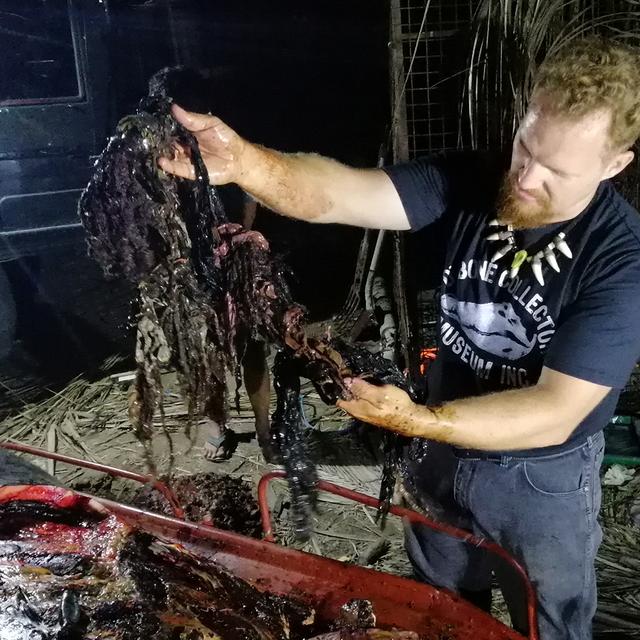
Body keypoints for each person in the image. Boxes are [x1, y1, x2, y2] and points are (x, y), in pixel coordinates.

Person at [158, 37, 640, 639]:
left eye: (557, 171)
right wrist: (246, 164)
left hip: (540, 476)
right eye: (525, 146)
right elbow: (339, 193)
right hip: (438, 453)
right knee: (439, 609)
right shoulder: (473, 177)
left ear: (614, 164)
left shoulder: (620, 259)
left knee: (548, 623)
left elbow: (555, 412)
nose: (525, 176)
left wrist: (418, 419)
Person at [202, 189, 273, 462]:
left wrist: (240, 236)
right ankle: (216, 424)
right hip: (201, 259)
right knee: (208, 355)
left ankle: (263, 426)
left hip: (242, 257)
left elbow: (249, 201)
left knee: (254, 350)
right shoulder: (181, 163)